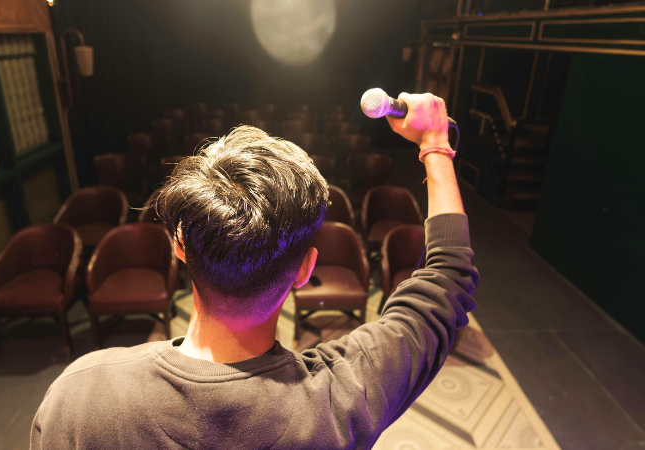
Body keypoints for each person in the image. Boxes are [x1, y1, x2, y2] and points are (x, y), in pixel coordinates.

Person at [30, 93, 478, 449]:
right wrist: (434, 144)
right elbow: (449, 275)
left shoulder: (80, 398)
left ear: (179, 246)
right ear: (305, 269)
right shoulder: (343, 399)